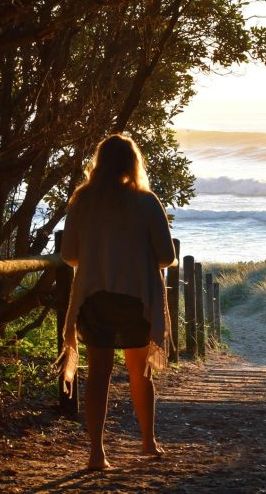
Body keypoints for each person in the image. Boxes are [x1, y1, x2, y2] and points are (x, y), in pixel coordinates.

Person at [56, 133, 176, 470]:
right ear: (133, 164)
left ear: (99, 163)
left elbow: (69, 255)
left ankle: (96, 453)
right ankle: (148, 442)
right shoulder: (147, 201)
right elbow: (166, 256)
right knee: (140, 373)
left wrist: (99, 255)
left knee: (98, 374)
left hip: (94, 299)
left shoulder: (83, 200)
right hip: (137, 299)